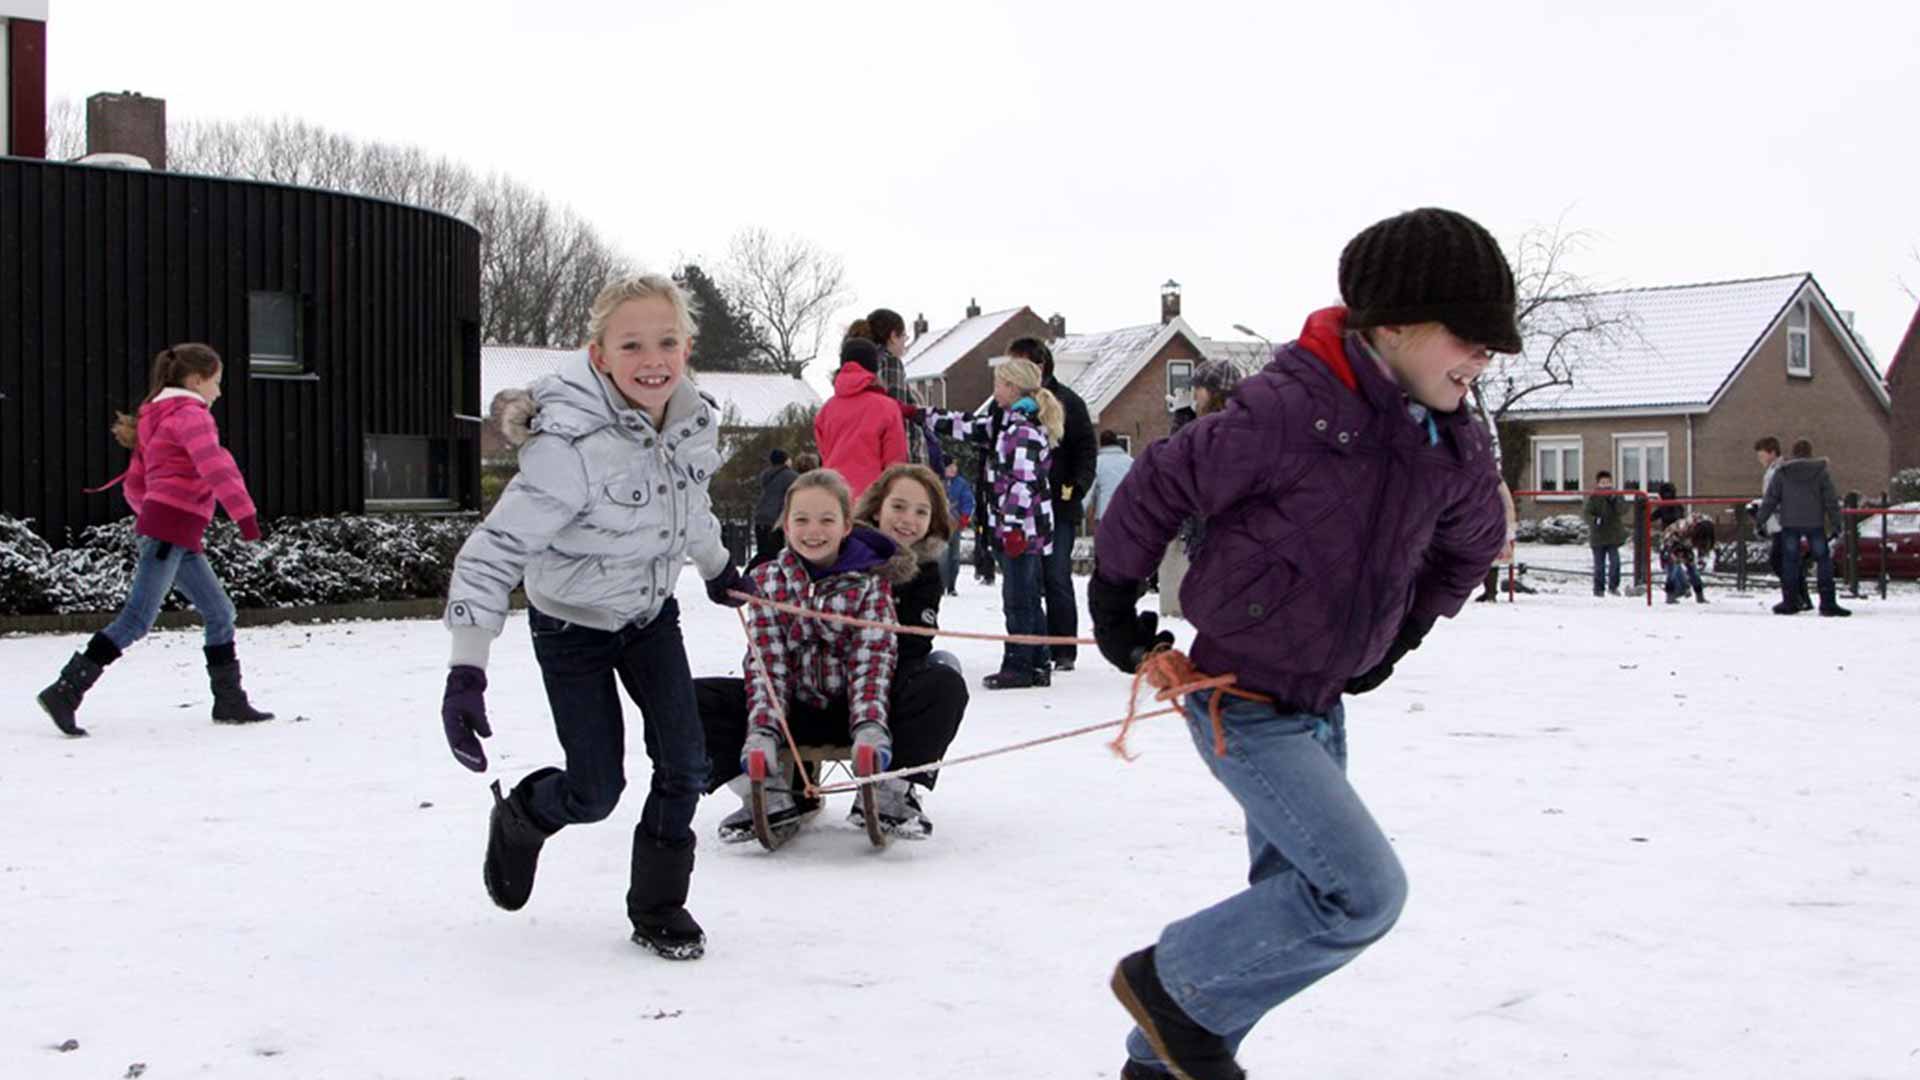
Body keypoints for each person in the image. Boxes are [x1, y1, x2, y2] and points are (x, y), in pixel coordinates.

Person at [1088, 207, 1515, 1080]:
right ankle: (1167, 988)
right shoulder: (1292, 408)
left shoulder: (1455, 443)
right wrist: (1114, 590)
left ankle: (1159, 1065)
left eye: (1490, 346)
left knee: (1289, 908)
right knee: (1359, 894)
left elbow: (1473, 542)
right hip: (1237, 699)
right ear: (1392, 325)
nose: (1481, 361)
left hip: (1321, 705)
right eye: (1467, 339)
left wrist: (1408, 630)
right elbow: (1164, 479)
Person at [439, 274, 749, 962]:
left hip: (648, 615)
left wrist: (718, 567)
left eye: (667, 341)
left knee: (686, 763)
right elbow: (493, 552)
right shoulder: (567, 446)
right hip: (570, 626)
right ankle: (524, 816)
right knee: (595, 789)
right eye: (631, 343)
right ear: (600, 354)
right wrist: (467, 668)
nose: (653, 358)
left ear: (688, 345)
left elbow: (688, 504)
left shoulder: (692, 418)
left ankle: (658, 906)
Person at [698, 469, 968, 841]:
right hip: (795, 706)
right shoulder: (770, 582)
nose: (814, 530)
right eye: (802, 520)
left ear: (845, 526)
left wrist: (871, 727)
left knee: (943, 678)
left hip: (870, 707)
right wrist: (762, 730)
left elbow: (876, 662)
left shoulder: (875, 585)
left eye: (827, 520)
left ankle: (889, 787)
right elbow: (766, 664)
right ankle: (769, 792)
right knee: (692, 698)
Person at [37, 343, 274, 737]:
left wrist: (153, 512)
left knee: (220, 613)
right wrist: (245, 517)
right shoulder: (190, 415)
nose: (219, 391)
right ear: (196, 380)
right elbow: (215, 466)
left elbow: (137, 482)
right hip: (170, 531)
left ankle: (229, 700)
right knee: (136, 620)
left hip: (173, 531)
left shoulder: (158, 416)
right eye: (216, 382)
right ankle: (66, 691)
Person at [924, 355, 1064, 689]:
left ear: (1013, 387)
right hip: (1027, 527)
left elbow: (1022, 483)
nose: (995, 390)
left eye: (999, 384)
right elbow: (969, 426)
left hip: (1023, 530)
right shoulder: (1008, 422)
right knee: (1028, 595)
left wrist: (1013, 526)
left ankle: (1019, 665)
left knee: (1018, 598)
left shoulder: (1022, 430)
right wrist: (923, 416)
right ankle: (1039, 661)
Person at [1007, 337, 1096, 672]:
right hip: (1022, 510)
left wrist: (1076, 485)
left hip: (1058, 506)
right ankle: (1034, 645)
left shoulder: (1069, 402)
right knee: (1026, 580)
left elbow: (1086, 450)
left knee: (1056, 575)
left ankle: (1064, 649)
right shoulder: (1007, 407)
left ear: (1038, 367)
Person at [1757, 439, 1850, 616]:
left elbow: (1771, 499)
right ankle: (1828, 603)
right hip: (1814, 522)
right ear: (1810, 453)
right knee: (1823, 561)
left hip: (1790, 523)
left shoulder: (1783, 472)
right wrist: (1837, 524)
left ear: (1793, 453)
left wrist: (1760, 520)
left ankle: (1791, 602)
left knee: (1790, 562)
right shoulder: (1820, 472)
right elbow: (1831, 500)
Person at [814, 336, 909, 499]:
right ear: (874, 367)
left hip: (833, 498)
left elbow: (824, 455)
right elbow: (895, 465)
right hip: (871, 500)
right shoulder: (887, 407)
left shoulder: (825, 411)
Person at [849, 308, 925, 464]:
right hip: (898, 462)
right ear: (893, 337)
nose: (905, 342)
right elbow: (897, 416)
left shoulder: (860, 366)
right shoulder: (890, 363)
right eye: (904, 336)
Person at [1752, 435, 1810, 611]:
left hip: (1783, 523)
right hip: (1782, 522)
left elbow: (1777, 498)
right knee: (1790, 561)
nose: (1759, 459)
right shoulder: (1777, 470)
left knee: (1779, 561)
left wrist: (1762, 513)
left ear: (1772, 453)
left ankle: (1792, 598)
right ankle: (1802, 597)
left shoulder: (1778, 471)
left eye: (1761, 455)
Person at [751, 449, 798, 569]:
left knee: (763, 553)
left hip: (761, 517)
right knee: (775, 554)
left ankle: (752, 574)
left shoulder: (766, 475)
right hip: (776, 519)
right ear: (786, 460)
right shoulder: (791, 476)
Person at [1584, 469, 1628, 596]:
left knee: (1615, 562)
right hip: (1598, 536)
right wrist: (1594, 520)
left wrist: (1615, 500)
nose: (1606, 485)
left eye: (1608, 482)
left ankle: (1613, 586)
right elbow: (1586, 512)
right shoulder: (1593, 497)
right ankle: (1598, 589)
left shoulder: (1616, 495)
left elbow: (1623, 510)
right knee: (1599, 565)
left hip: (1613, 535)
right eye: (1603, 483)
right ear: (1598, 484)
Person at [941, 461, 976, 596]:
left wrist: (965, 516)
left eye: (954, 466)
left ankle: (951, 585)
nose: (953, 469)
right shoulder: (937, 480)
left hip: (955, 523)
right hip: (940, 524)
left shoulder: (961, 483)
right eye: (949, 466)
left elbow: (968, 500)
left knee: (954, 557)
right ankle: (941, 584)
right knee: (942, 556)